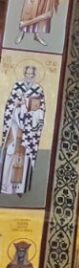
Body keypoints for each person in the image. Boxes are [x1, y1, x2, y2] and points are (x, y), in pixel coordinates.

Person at [1, 66, 46, 195]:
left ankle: (20, 188)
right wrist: (16, 104)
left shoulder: (38, 89)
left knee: (24, 157)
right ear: (24, 73)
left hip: (28, 132)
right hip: (15, 126)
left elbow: (41, 110)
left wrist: (29, 109)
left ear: (35, 76)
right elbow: (9, 105)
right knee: (10, 153)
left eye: (31, 75)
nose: (29, 77)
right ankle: (6, 186)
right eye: (27, 74)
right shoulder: (17, 86)